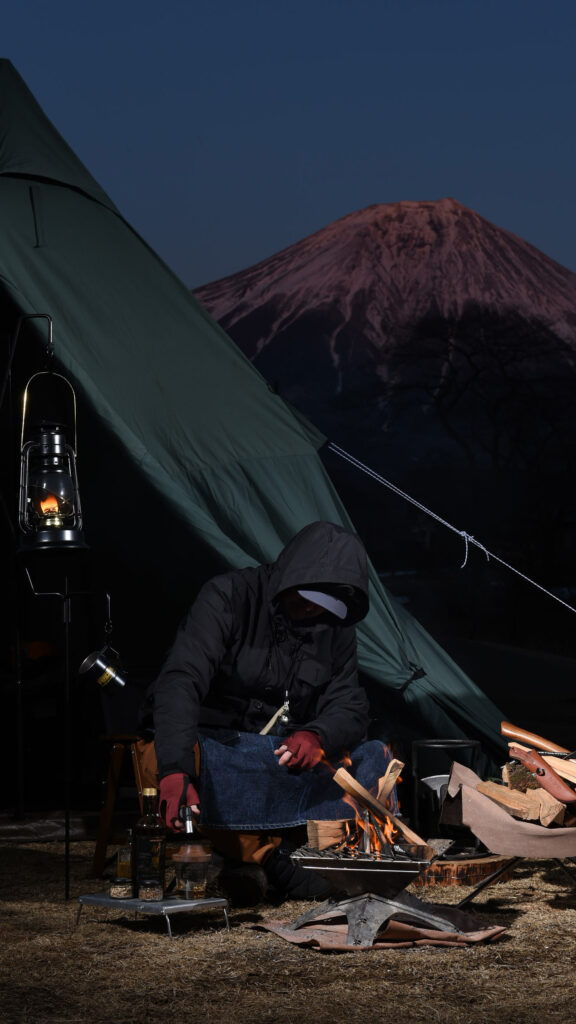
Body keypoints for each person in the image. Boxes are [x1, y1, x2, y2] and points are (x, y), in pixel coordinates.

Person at [146, 520, 397, 903]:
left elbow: (349, 703)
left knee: (371, 757)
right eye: (306, 597)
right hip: (220, 751)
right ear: (290, 575)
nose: (312, 608)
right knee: (179, 760)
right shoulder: (228, 597)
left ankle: (289, 859)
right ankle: (273, 859)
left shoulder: (335, 628)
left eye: (323, 605)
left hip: (280, 761)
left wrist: (318, 735)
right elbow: (181, 679)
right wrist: (176, 768)